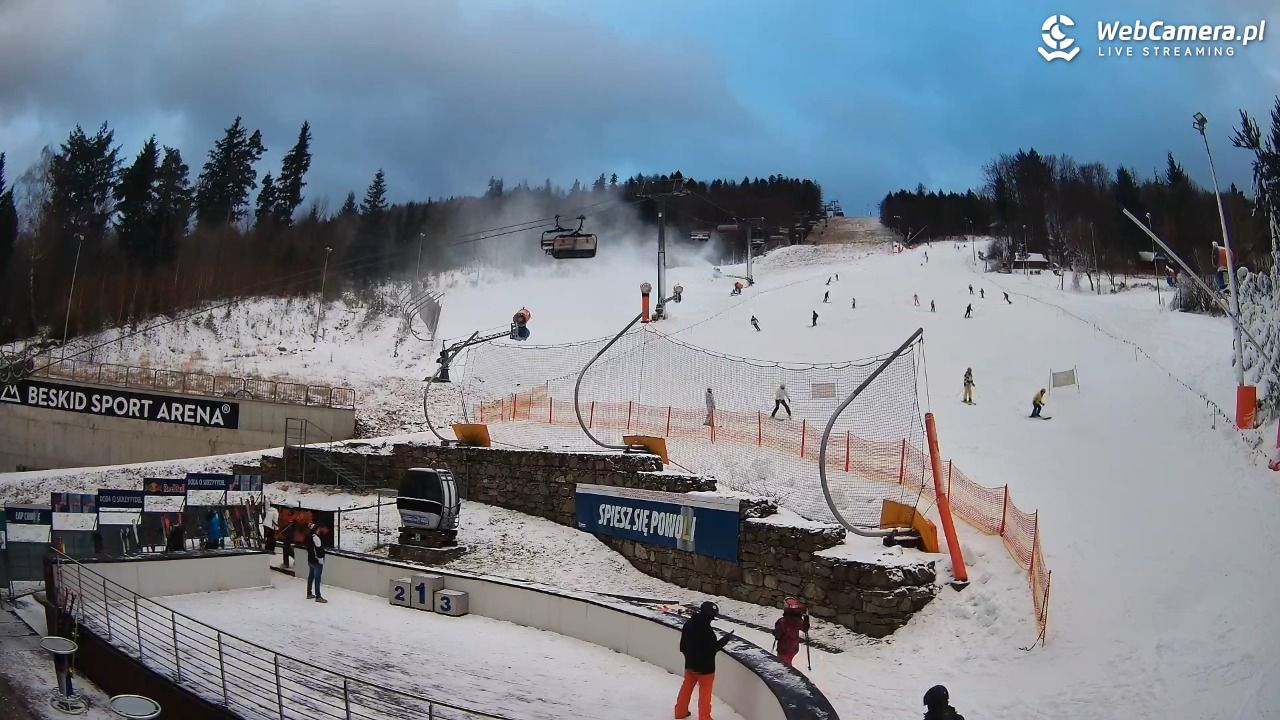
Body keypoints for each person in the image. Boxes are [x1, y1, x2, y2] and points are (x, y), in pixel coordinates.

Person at [674, 601, 734, 720]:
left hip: (690, 665)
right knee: (705, 695)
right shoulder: (708, 633)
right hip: (706, 670)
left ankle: (680, 712)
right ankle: (704, 717)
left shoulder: (689, 624)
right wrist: (725, 640)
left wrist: (689, 658)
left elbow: (683, 645)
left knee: (686, 688)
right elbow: (711, 650)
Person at [772, 597, 810, 667]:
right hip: (794, 648)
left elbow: (778, 635)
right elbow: (805, 628)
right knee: (787, 662)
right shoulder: (798, 620)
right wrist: (806, 617)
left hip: (784, 648)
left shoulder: (782, 621)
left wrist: (775, 632)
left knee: (783, 666)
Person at [305, 522, 327, 603]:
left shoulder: (308, 537)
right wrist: (321, 560)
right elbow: (318, 551)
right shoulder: (316, 538)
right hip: (317, 561)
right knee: (317, 579)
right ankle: (318, 596)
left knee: (311, 576)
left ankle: (309, 593)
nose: (318, 530)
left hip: (310, 560)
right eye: (317, 529)